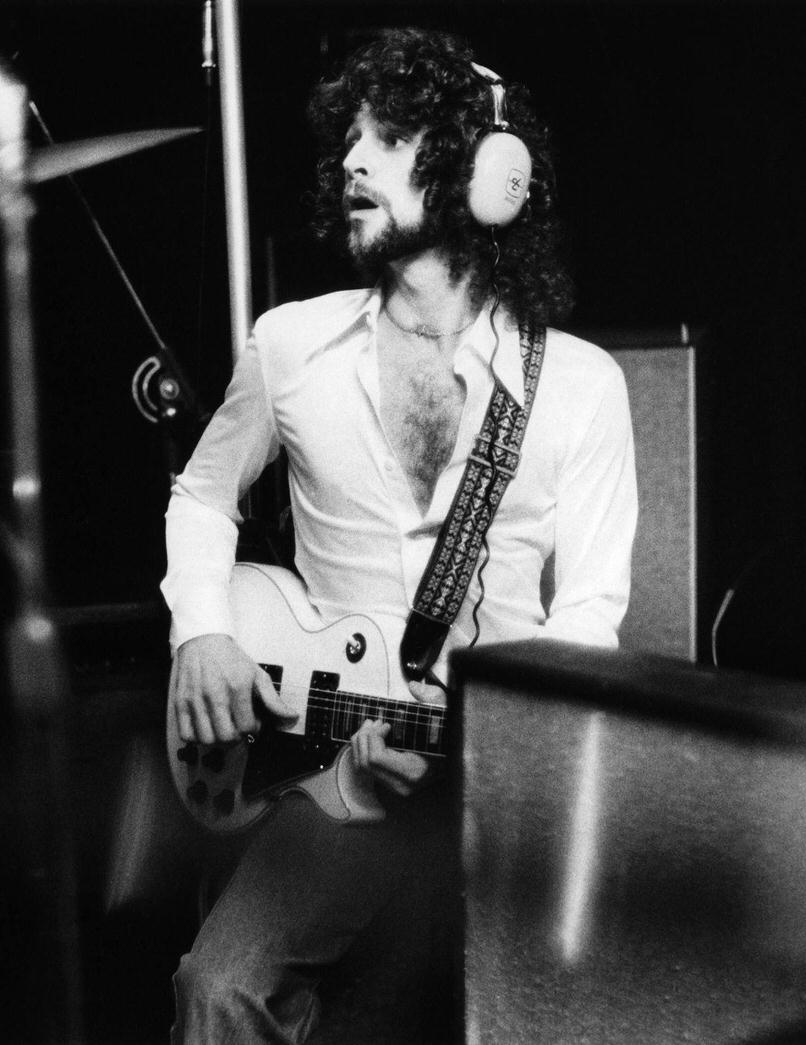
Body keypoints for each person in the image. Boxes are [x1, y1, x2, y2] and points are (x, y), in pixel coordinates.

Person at [160, 26, 637, 1043]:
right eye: (348, 139)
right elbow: (200, 496)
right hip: (333, 778)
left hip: (497, 791)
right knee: (216, 984)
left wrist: (490, 733)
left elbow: (591, 617)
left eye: (387, 137)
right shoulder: (288, 347)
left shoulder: (581, 385)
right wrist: (201, 630)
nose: (349, 161)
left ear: (484, 172)